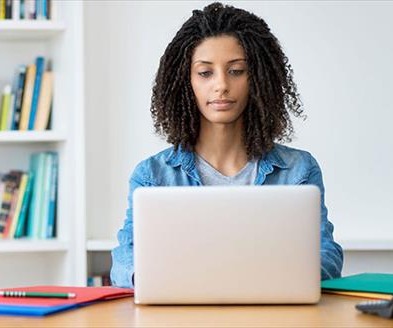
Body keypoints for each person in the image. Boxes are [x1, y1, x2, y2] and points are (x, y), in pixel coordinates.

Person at [110, 2, 344, 288]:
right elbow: (124, 260)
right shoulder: (153, 175)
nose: (221, 85)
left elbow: (327, 255)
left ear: (258, 78)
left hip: (274, 310)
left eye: (236, 71)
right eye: (205, 73)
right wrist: (155, 280)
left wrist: (285, 276)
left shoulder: (298, 170)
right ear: (186, 82)